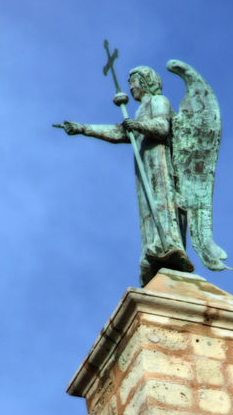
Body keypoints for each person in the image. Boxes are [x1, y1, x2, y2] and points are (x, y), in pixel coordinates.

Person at [62, 66, 194, 286]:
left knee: (162, 201)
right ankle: (154, 247)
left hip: (161, 161)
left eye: (134, 81)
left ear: (146, 81)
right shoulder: (140, 110)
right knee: (148, 209)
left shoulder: (159, 101)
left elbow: (162, 128)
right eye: (131, 82)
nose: (131, 86)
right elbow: (118, 133)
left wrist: (138, 126)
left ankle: (169, 244)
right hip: (146, 162)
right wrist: (83, 128)